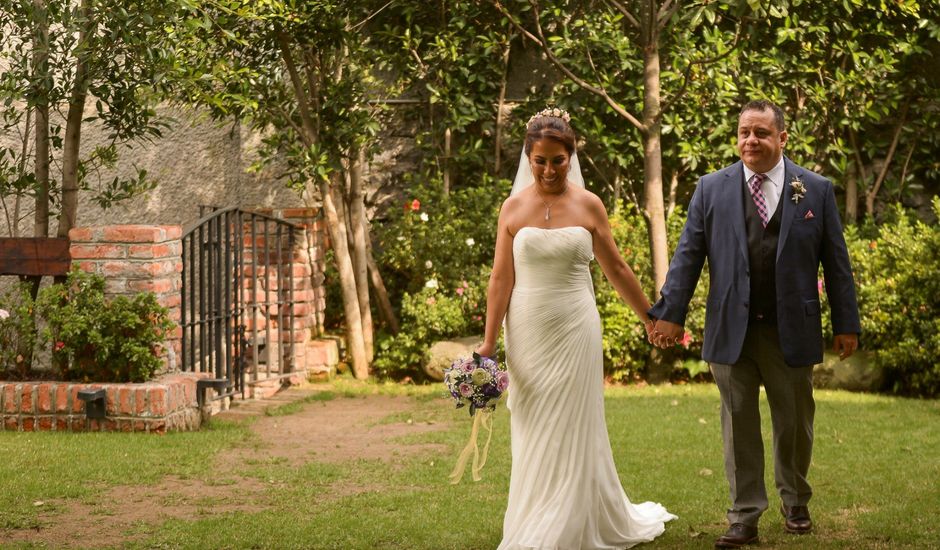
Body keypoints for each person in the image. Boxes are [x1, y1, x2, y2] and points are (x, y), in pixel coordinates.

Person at [648, 99, 861, 548]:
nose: (751, 140)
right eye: (745, 132)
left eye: (761, 133)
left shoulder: (815, 190)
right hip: (732, 329)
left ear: (782, 138)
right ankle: (744, 514)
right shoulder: (711, 188)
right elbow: (687, 258)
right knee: (738, 423)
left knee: (794, 422)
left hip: (792, 330)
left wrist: (847, 323)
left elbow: (836, 264)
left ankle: (796, 499)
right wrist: (669, 314)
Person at [476, 108, 676, 550]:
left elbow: (617, 267)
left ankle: (572, 520)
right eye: (541, 160)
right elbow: (500, 279)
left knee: (574, 422)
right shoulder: (512, 208)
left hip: (575, 327)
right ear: (529, 158)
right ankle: (534, 515)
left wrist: (650, 316)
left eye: (558, 160)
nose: (549, 169)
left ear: (571, 157)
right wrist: (489, 344)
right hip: (527, 330)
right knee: (533, 424)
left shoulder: (589, 205)